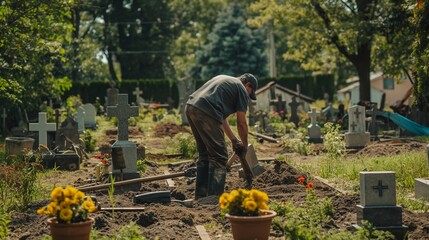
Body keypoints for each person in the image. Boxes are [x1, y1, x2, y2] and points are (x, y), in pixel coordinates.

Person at [185, 73, 258, 199]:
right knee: (220, 157)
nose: (248, 97)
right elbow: (241, 123)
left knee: (205, 155)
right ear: (248, 85)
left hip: (192, 106)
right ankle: (214, 198)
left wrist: (234, 140)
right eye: (250, 93)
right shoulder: (241, 89)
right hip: (207, 111)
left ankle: (201, 196)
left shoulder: (225, 80)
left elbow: (222, 118)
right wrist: (245, 145)